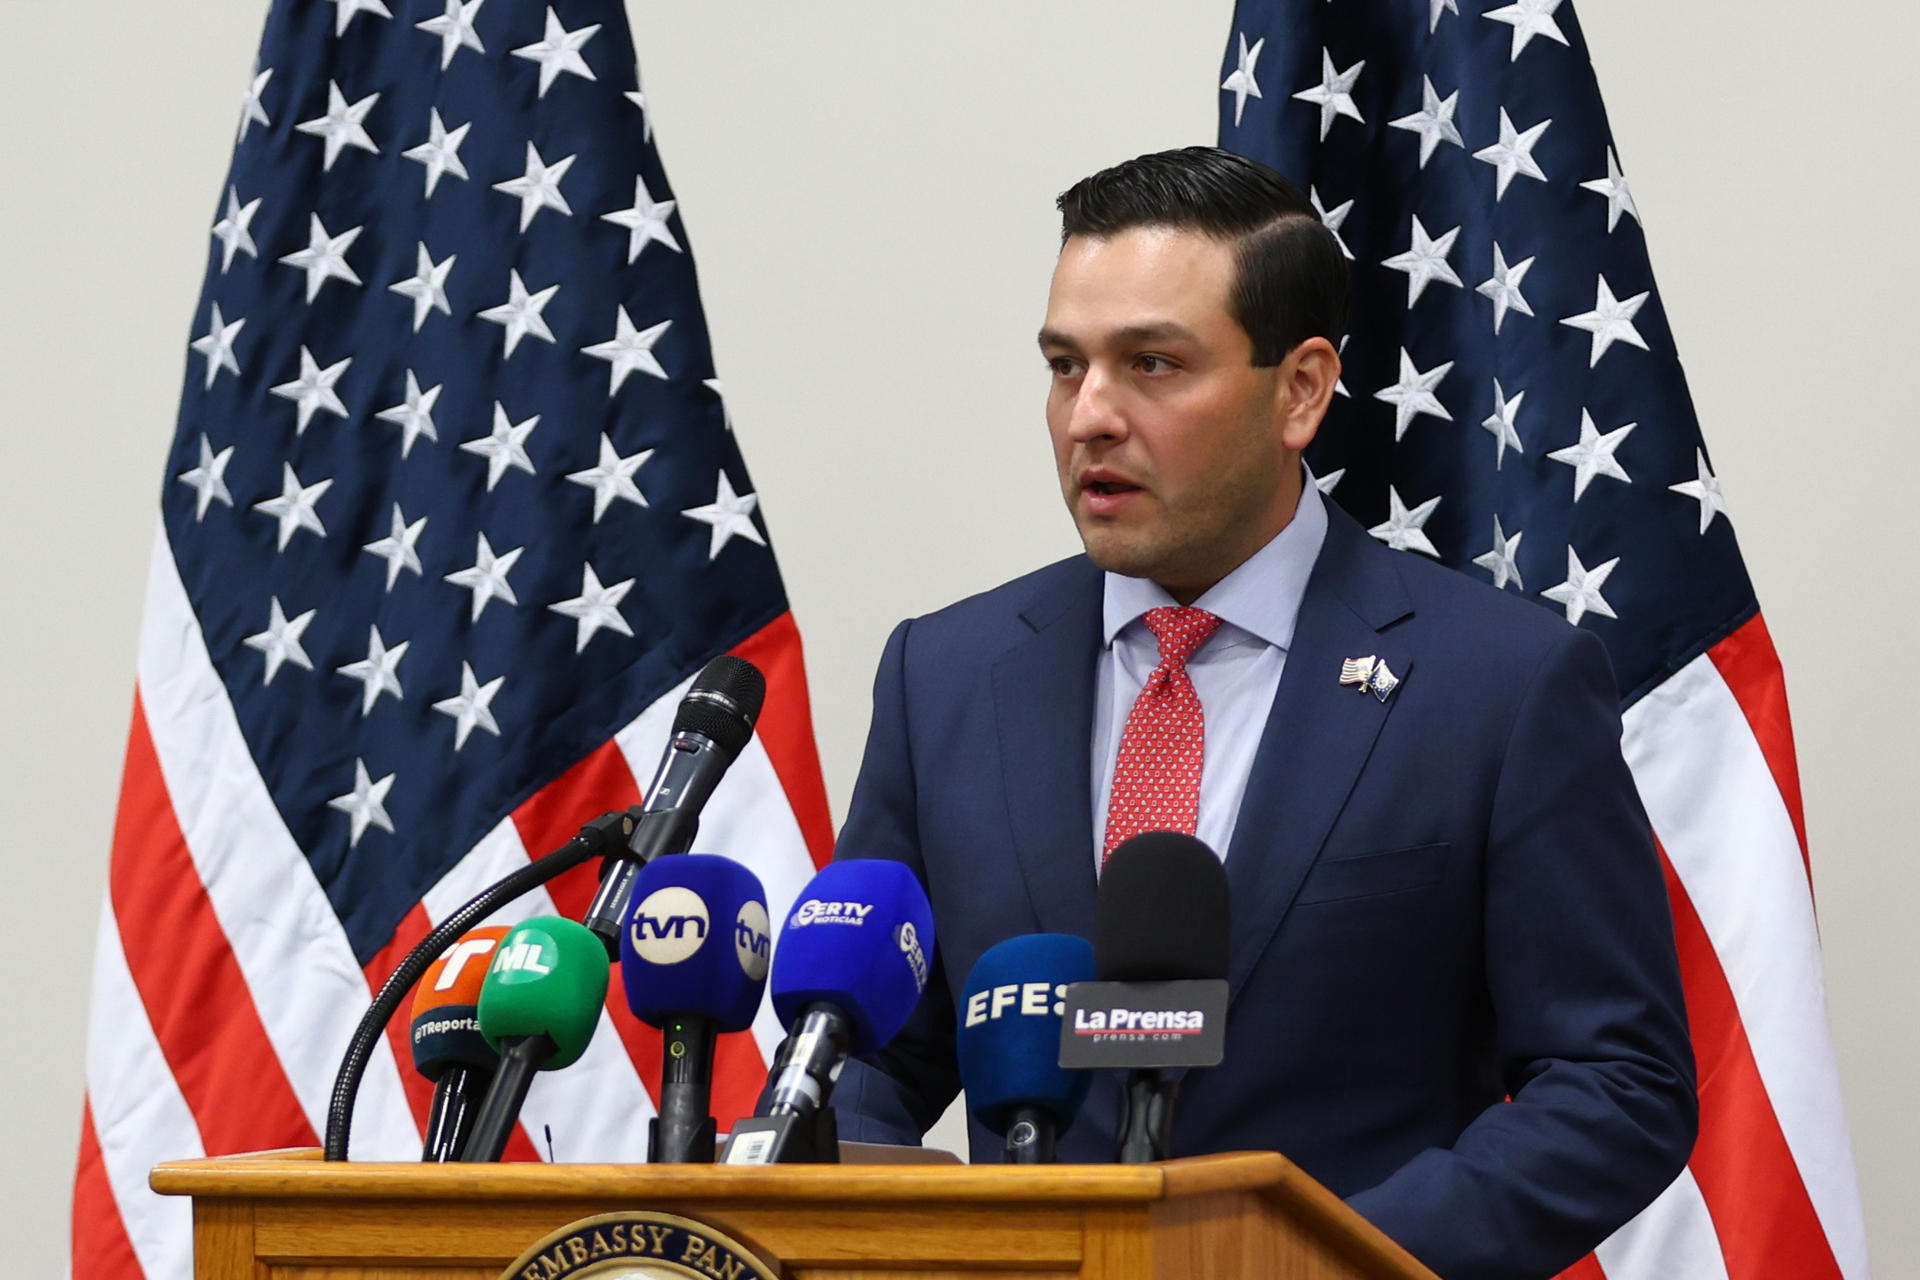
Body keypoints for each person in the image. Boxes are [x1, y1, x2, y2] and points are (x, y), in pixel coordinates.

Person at [827, 147, 1696, 1280]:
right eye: (1064, 365)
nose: (1089, 415)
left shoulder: (1501, 682)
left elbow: (1616, 1078)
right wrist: (866, 1191)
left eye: (1151, 364)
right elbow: (864, 1047)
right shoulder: (946, 673)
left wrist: (1328, 1258)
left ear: (1301, 388)